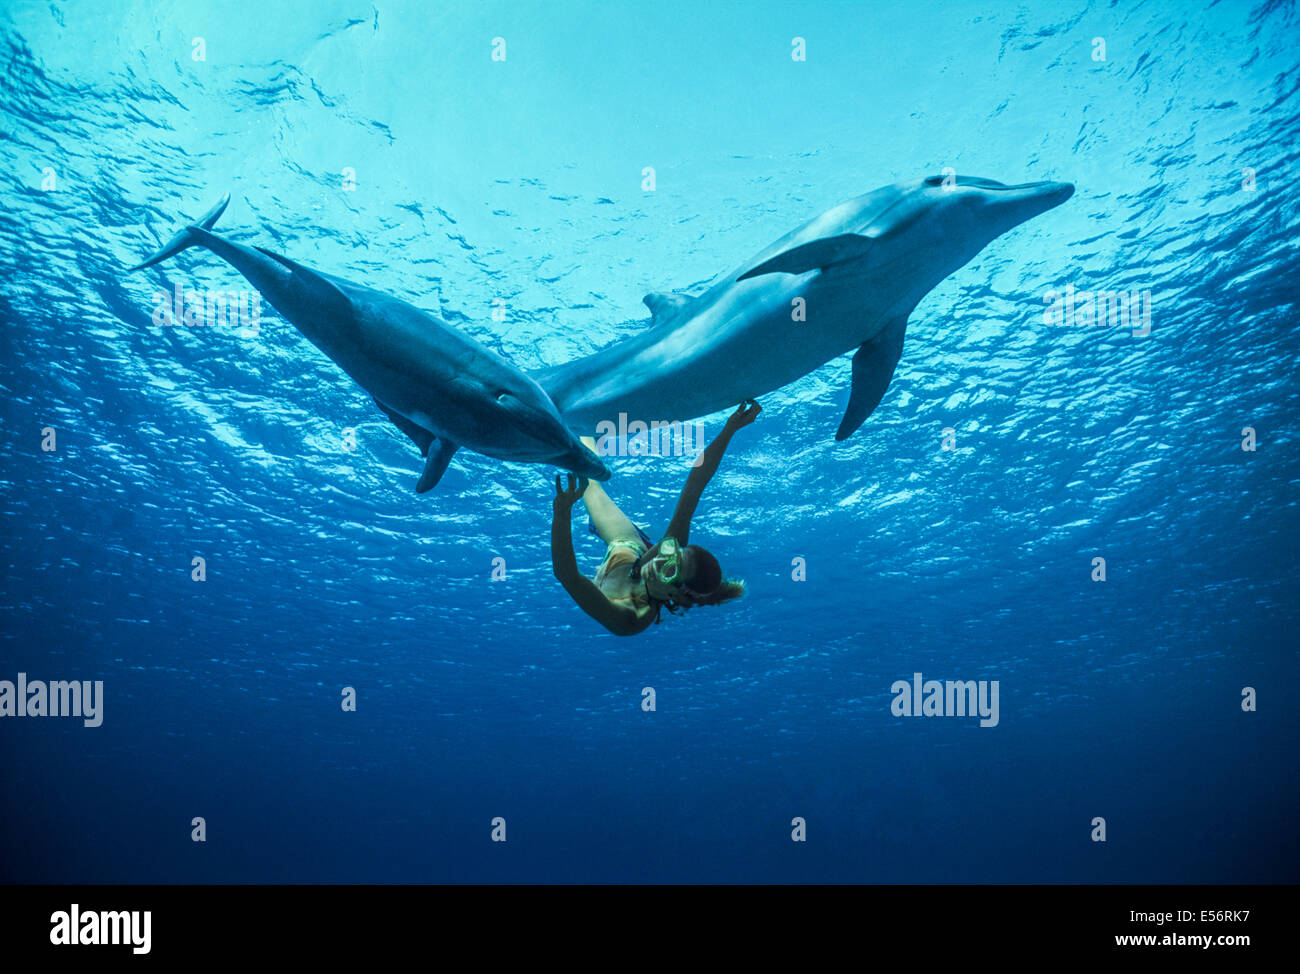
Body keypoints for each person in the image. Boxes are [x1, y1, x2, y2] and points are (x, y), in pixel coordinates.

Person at [550, 401, 761, 636]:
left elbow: (567, 576)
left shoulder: (629, 618)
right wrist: (730, 428)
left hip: (620, 566)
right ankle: (582, 420)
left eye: (671, 568)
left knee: (583, 481)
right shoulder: (669, 545)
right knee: (590, 485)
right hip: (630, 549)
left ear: (676, 592)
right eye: (673, 552)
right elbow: (696, 482)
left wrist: (562, 512)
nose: (661, 558)